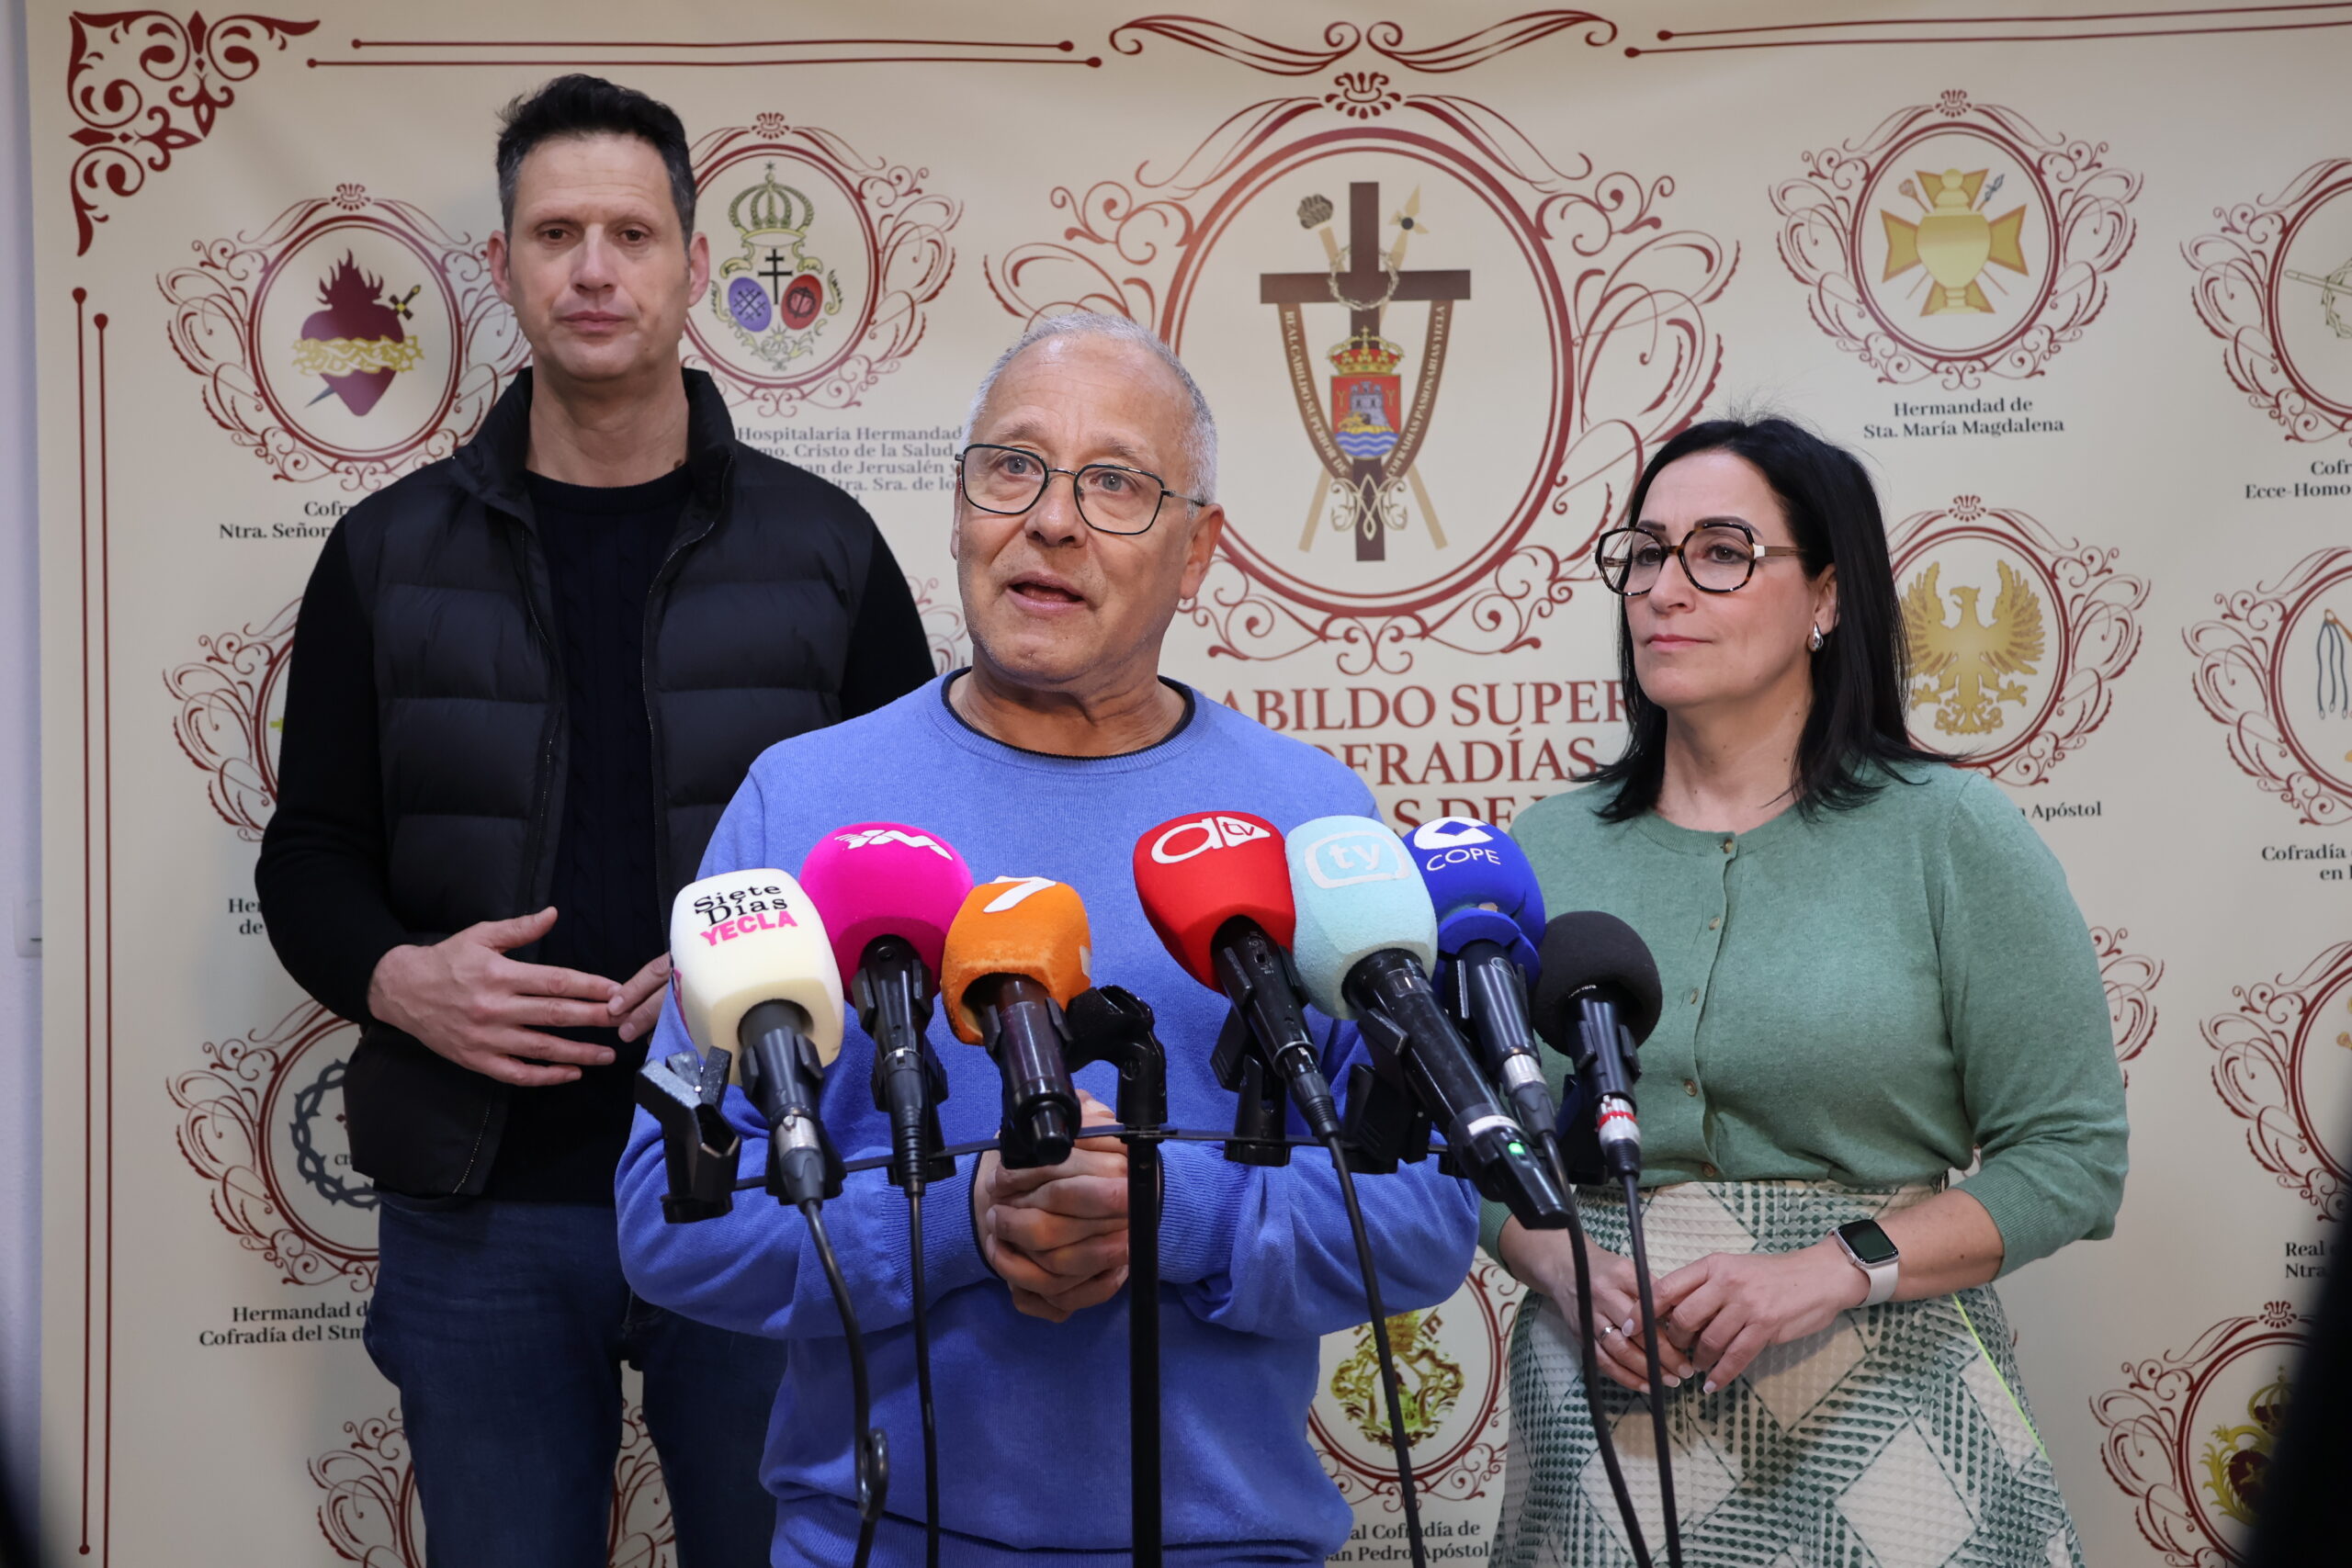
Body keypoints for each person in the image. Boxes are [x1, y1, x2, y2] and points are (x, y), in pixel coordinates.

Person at [615, 310, 1479, 1565]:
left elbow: (1425, 1215)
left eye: (1117, 482)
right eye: (1010, 466)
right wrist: (957, 1221)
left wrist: (1172, 1212)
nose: (1052, 519)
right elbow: (663, 1218)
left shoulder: (1311, 819)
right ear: (961, 508)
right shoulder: (797, 803)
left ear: (1199, 553)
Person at [254, 75, 934, 1566]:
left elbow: (913, 872)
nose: (594, 267)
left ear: (693, 263)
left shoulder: (828, 551)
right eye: (555, 231)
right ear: (501, 266)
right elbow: (306, 859)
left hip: (769, 1173)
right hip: (485, 1204)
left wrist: (754, 971)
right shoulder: (385, 555)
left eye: (631, 232)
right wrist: (398, 978)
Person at [1486, 418, 2128, 1566]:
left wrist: (1829, 1269)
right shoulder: (1543, 850)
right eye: (1644, 552)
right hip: (1605, 1413)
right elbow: (1464, 1139)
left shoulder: (1948, 835)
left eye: (1720, 552)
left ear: (1826, 596)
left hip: (1887, 1405)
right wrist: (1559, 1265)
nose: (1663, 589)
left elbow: (2069, 1156)